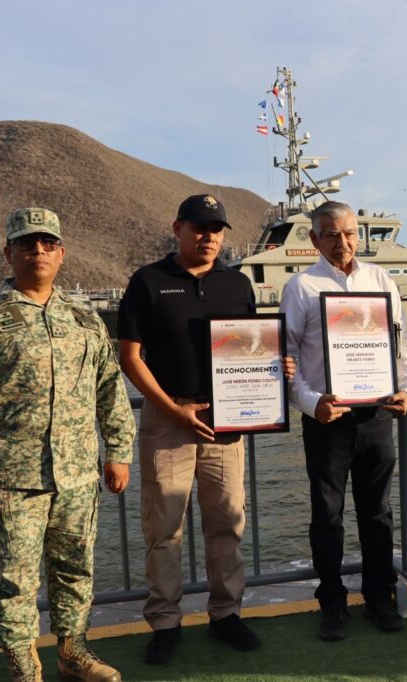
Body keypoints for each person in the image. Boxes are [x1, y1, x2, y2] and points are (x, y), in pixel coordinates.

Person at [0, 207, 135, 682]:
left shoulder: (84, 319)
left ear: (62, 253)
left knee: (75, 571)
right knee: (14, 582)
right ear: (9, 252)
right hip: (10, 483)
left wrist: (120, 450)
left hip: (78, 476)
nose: (38, 251)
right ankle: (24, 667)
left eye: (47, 243)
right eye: (27, 243)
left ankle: (72, 653)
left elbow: (110, 386)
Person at [118, 194, 292, 663]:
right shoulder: (148, 281)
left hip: (225, 423)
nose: (209, 237)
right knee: (164, 529)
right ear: (178, 228)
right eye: (199, 227)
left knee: (227, 524)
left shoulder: (236, 285)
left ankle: (226, 614)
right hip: (168, 420)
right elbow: (129, 357)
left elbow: (252, 350)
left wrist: (278, 367)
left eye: (217, 229)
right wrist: (172, 409)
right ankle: (166, 622)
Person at [279, 200, 407, 641]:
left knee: (378, 513)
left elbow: (403, 345)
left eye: (350, 233)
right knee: (328, 516)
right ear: (316, 239)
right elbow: (289, 357)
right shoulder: (300, 287)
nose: (343, 242)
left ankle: (380, 595)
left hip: (377, 414)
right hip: (328, 418)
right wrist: (311, 401)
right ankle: (332, 602)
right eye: (333, 234)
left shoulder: (381, 281)